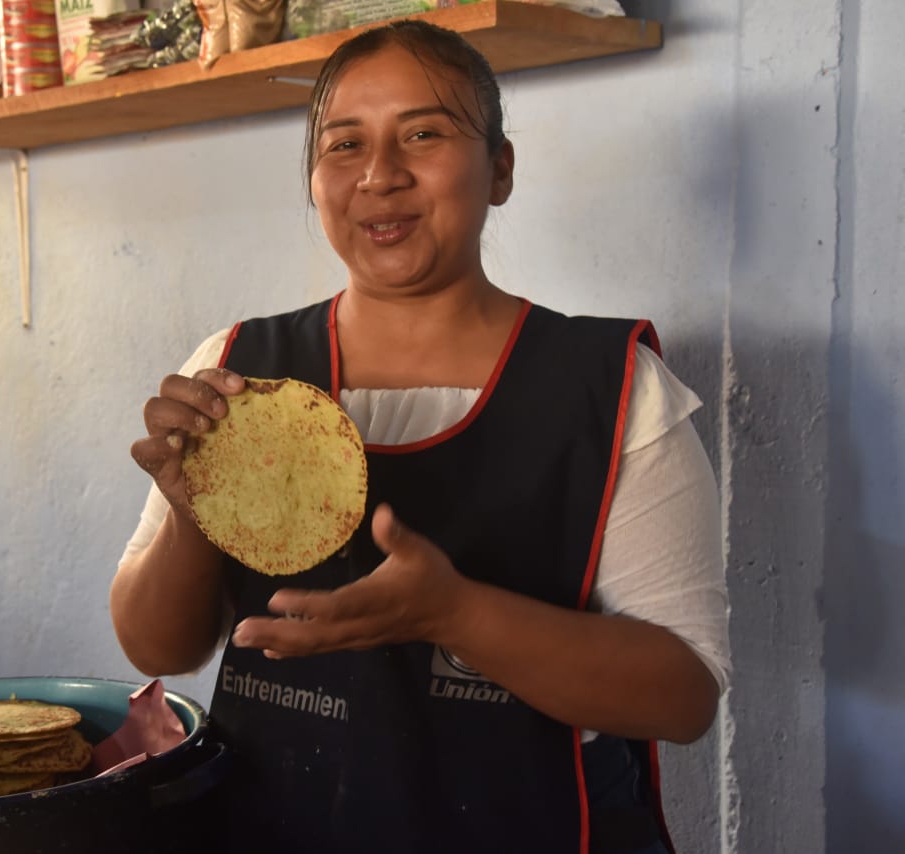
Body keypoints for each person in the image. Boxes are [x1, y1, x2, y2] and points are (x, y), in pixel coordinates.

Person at [111, 19, 728, 854]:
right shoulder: (238, 374)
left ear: (499, 169)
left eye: (425, 134)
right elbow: (159, 647)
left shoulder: (611, 388)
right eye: (343, 145)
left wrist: (455, 613)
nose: (380, 176)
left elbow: (682, 695)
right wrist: (193, 512)